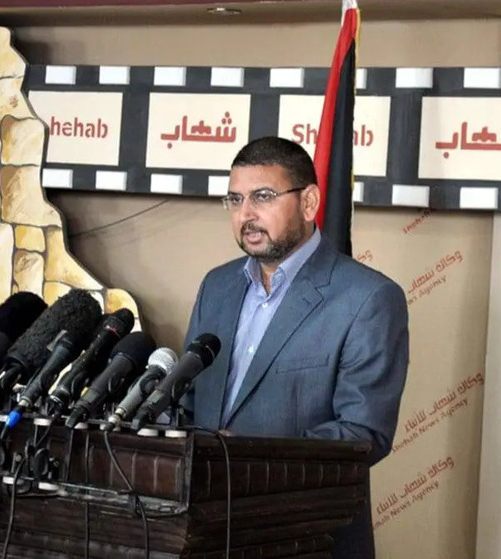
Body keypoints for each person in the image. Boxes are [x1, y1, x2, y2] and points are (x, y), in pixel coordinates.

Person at [180, 136, 410, 559]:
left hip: (306, 539)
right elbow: (188, 404)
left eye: (263, 197)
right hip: (206, 536)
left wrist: (243, 460)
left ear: (309, 202)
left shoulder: (368, 298)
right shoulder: (217, 286)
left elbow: (363, 433)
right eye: (234, 199)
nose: (245, 214)